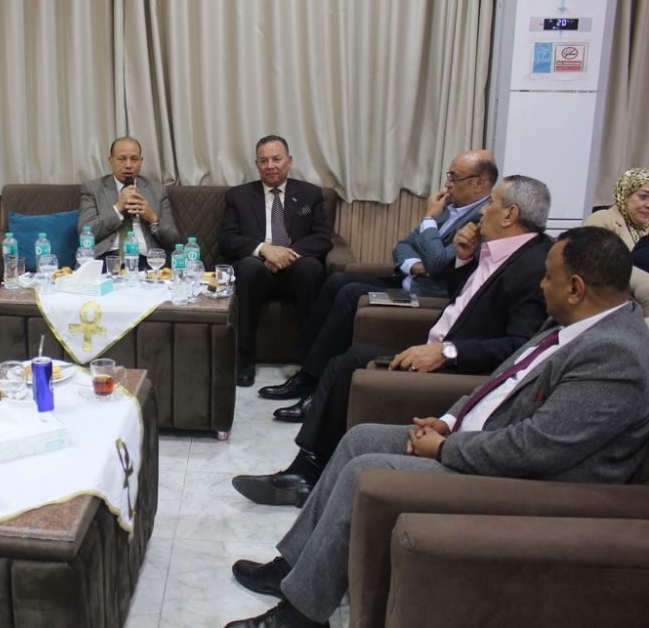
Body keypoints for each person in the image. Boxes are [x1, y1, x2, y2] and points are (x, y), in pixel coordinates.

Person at [224, 226, 649, 628]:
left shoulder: (614, 355)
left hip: (524, 483)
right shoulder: (573, 322)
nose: (541, 285)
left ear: (575, 288)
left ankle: (300, 614)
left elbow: (536, 451)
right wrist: (449, 421)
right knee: (360, 438)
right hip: (479, 440)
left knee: (364, 471)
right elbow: (500, 382)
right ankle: (293, 566)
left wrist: (444, 449)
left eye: (548, 278)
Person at [233, 175, 552, 507]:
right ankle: (307, 465)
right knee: (348, 355)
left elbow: (522, 346)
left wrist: (448, 351)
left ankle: (305, 472)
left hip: (456, 367)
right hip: (436, 343)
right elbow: (463, 301)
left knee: (349, 363)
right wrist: (461, 259)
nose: (483, 210)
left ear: (510, 215)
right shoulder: (498, 251)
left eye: (492, 203)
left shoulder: (533, 266)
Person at [258, 149, 497, 402]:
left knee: (350, 293)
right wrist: (417, 266)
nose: (447, 183)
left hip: (427, 296)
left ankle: (313, 382)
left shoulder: (480, 219)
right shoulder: (449, 208)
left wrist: (428, 218)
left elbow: (438, 263)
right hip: (409, 280)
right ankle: (306, 366)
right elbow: (402, 246)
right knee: (337, 281)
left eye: (454, 177)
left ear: (479, 183)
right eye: (448, 175)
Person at [220, 135, 332, 387]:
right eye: (264, 161)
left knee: (312, 268)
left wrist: (286, 255)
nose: (270, 165)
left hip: (295, 268)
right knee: (248, 269)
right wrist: (264, 250)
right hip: (256, 267)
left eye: (276, 159)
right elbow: (227, 240)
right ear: (257, 164)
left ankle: (309, 363)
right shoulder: (237, 196)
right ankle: (244, 360)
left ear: (289, 161)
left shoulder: (310, 194)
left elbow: (322, 238)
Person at [78, 136, 180, 266]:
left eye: (134, 159)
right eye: (121, 159)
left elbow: (173, 240)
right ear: (111, 161)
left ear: (141, 161)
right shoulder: (93, 188)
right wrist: (118, 209)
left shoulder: (157, 190)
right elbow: (85, 234)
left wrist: (153, 218)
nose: (128, 165)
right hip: (104, 259)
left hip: (147, 260)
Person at [584, 166, 649, 321]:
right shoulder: (602, 219)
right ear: (625, 194)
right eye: (643, 196)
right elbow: (593, 264)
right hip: (608, 308)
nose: (648, 204)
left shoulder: (647, 227)